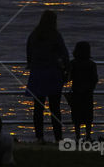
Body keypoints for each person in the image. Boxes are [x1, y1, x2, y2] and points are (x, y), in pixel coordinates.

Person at [25, 10, 68, 143]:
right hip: (53, 74)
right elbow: (64, 54)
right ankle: (58, 137)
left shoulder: (34, 35)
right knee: (55, 108)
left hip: (37, 74)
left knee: (38, 108)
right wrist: (66, 69)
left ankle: (39, 137)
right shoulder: (55, 35)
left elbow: (29, 53)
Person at [67, 41, 98, 141]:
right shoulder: (91, 64)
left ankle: (77, 136)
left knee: (76, 116)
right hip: (88, 93)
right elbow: (95, 79)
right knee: (88, 116)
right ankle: (88, 135)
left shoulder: (73, 63)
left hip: (76, 92)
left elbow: (68, 78)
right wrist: (91, 88)